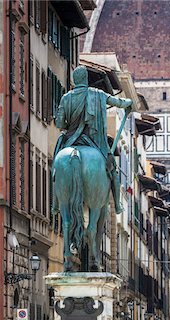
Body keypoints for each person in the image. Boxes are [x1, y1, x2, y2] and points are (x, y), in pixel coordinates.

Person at [54, 65, 132, 214]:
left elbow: (59, 124)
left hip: (71, 142)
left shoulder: (66, 98)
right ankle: (118, 204)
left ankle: (55, 203)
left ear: (74, 80)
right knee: (112, 170)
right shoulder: (98, 94)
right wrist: (129, 103)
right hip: (94, 143)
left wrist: (68, 125)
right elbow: (119, 103)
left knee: (56, 168)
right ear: (85, 79)